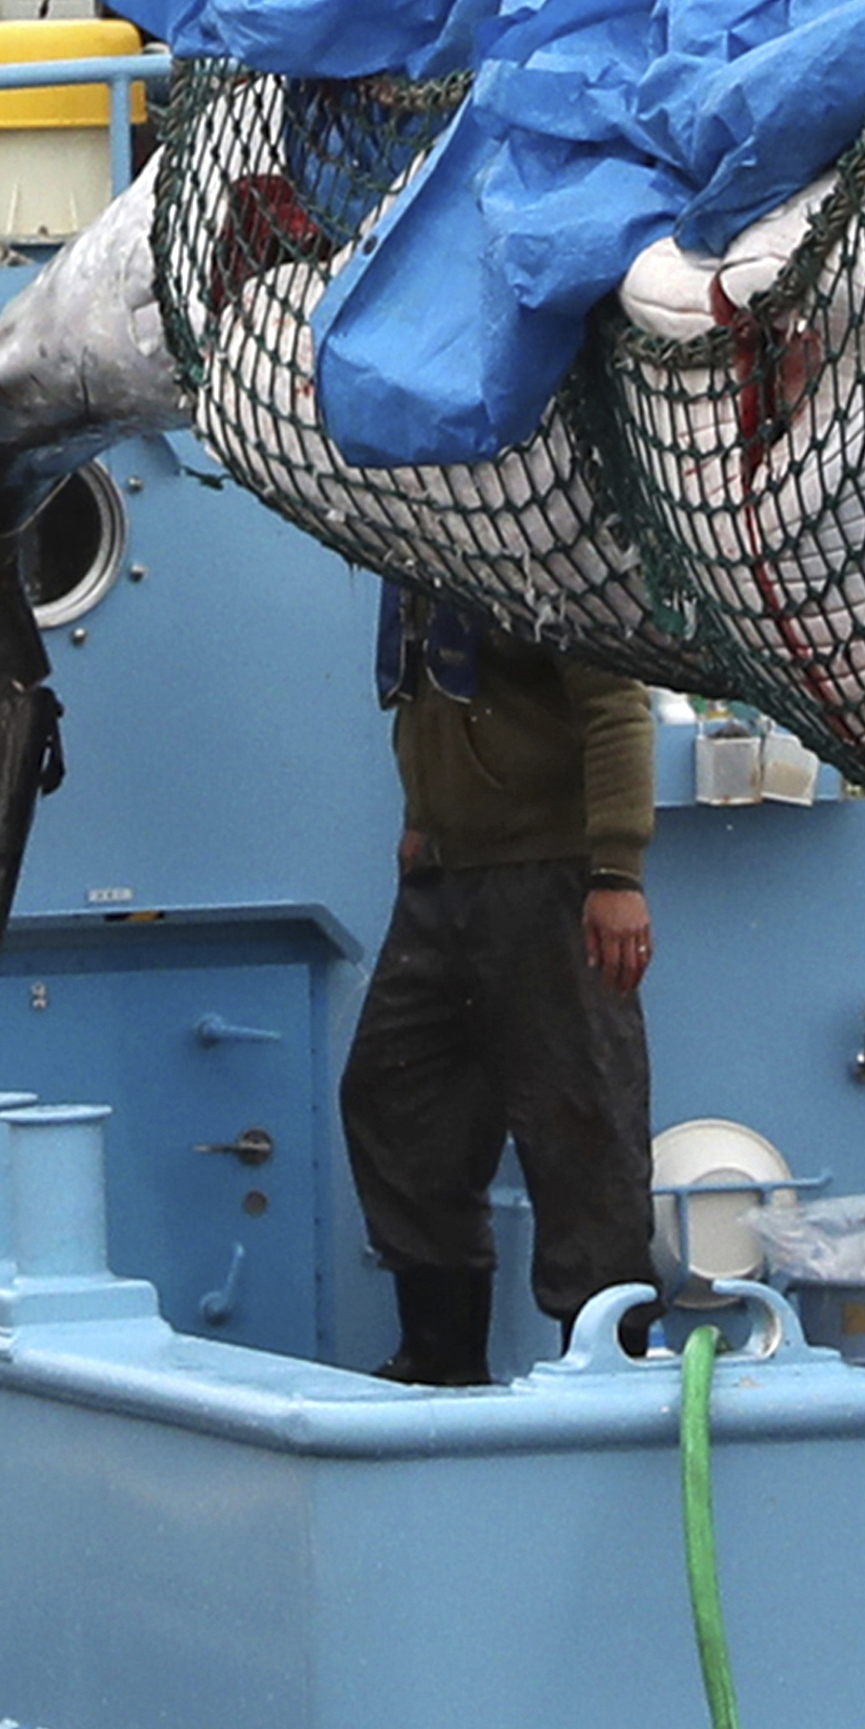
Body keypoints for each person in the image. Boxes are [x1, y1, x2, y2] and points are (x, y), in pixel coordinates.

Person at [343, 581, 656, 1385]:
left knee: (581, 1117)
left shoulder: (532, 550)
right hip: (446, 877)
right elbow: (427, 704)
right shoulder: (414, 554)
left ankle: (605, 1364)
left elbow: (618, 707)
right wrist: (422, 819)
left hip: (549, 877)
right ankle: (440, 1352)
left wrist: (616, 871)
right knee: (394, 1093)